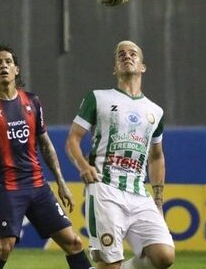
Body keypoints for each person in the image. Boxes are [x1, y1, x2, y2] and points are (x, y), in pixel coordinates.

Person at [0, 44, 93, 269]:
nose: (4, 66)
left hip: (38, 186)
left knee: (74, 241)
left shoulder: (32, 101)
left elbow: (45, 144)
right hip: (8, 187)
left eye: (8, 62)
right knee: (3, 248)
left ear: (17, 69)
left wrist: (60, 182)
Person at [65, 40, 175, 269]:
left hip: (138, 193)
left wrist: (158, 200)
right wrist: (84, 167)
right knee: (110, 264)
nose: (127, 56)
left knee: (164, 256)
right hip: (105, 189)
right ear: (115, 67)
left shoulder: (155, 111)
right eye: (121, 54)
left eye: (133, 53)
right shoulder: (98, 98)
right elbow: (72, 140)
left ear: (143, 66)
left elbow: (156, 157)